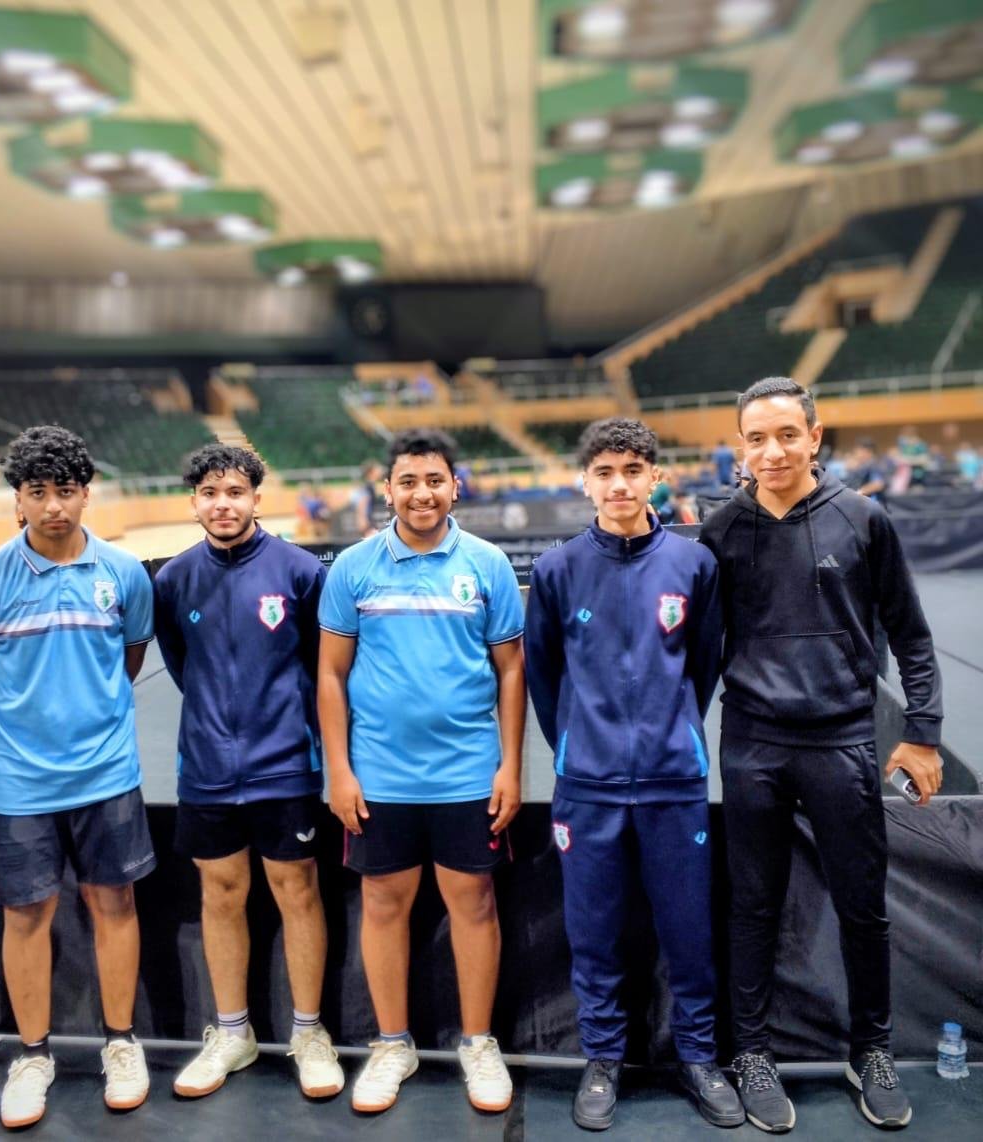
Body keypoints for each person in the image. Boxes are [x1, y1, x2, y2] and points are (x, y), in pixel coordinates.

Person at [700, 378, 943, 1133]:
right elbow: (695, 648)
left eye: (785, 435)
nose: (772, 451)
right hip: (753, 744)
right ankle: (752, 1053)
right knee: (751, 907)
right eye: (756, 438)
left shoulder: (864, 519)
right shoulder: (719, 531)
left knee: (863, 909)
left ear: (814, 435)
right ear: (741, 447)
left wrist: (923, 732)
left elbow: (912, 636)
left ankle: (869, 1050)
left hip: (842, 741)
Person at [524, 419, 741, 1132]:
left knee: (689, 930)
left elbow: (702, 666)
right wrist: (580, 745)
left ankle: (700, 1057)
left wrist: (669, 733)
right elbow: (544, 678)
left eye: (633, 470)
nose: (619, 485)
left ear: (656, 477)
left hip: (673, 783)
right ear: (584, 481)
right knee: (593, 933)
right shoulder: (556, 570)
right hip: (587, 787)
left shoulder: (694, 565)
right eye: (605, 472)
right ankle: (603, 1058)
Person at [0, 425, 156, 1128]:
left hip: (107, 775)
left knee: (114, 904)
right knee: (26, 915)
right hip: (17, 786)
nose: (53, 506)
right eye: (37, 492)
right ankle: (33, 1055)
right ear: (18, 500)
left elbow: (129, 659)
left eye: (65, 491)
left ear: (86, 494)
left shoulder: (123, 574)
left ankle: (121, 1044)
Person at [317, 428, 525, 1114]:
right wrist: (339, 769)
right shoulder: (353, 568)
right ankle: (392, 1044)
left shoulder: (488, 565)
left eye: (434, 480)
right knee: (383, 904)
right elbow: (330, 673)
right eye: (407, 481)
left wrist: (511, 766)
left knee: (475, 903)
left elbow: (511, 670)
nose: (422, 493)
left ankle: (478, 1044)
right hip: (380, 777)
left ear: (454, 487)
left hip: (468, 773)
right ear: (388, 490)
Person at [153, 444, 345, 1101]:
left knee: (298, 893)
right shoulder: (173, 580)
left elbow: (322, 666)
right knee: (221, 894)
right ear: (193, 502)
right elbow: (182, 664)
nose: (222, 504)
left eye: (235, 491)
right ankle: (233, 1032)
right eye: (209, 493)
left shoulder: (300, 571)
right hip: (207, 767)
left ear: (257, 498)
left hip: (285, 765)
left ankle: (309, 1033)